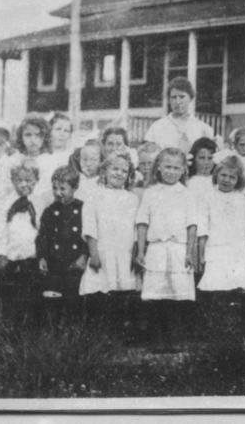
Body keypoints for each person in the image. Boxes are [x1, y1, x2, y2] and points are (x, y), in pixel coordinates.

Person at [134, 147, 200, 350]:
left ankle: (175, 339)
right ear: (159, 168)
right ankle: (156, 340)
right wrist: (141, 251)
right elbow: (142, 223)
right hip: (157, 249)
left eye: (176, 168)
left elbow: (192, 225)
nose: (171, 171)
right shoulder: (151, 193)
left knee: (177, 294)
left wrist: (189, 252)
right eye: (167, 167)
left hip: (178, 249)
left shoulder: (187, 194)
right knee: (156, 294)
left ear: (183, 170)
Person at [79, 153, 141, 336]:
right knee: (100, 290)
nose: (119, 173)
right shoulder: (94, 196)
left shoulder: (132, 199)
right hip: (102, 250)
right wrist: (94, 254)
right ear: (104, 171)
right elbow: (90, 227)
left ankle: (119, 332)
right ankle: (99, 334)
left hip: (124, 250)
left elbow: (135, 229)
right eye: (115, 169)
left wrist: (135, 253)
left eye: (124, 171)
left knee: (122, 292)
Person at [0, 160, 43, 326]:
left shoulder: (37, 203)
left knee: (31, 295)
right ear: (13, 181)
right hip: (11, 258)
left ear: (36, 181)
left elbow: (42, 229)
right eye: (19, 180)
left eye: (28, 180)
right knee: (10, 296)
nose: (24, 184)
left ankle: (30, 328)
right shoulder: (5, 203)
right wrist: (1, 253)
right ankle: (9, 328)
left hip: (31, 257)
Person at [37, 166, 88, 326]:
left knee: (73, 300)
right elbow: (43, 237)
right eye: (55, 188)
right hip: (55, 262)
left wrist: (84, 256)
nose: (58, 192)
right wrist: (42, 257)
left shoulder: (83, 209)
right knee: (53, 298)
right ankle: (53, 331)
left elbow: (89, 235)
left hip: (75, 262)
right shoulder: (50, 211)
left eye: (63, 189)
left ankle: (73, 332)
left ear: (75, 188)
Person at [197, 156, 245, 295]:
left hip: (237, 251)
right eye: (223, 175)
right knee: (216, 288)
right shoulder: (207, 197)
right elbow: (203, 229)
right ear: (216, 174)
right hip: (215, 249)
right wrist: (201, 254)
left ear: (238, 180)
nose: (226, 180)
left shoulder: (242, 200)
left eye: (232, 177)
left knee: (235, 288)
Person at [144, 77, 215, 157]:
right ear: (169, 100)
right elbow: (148, 155)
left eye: (182, 97)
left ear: (190, 98)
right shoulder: (157, 127)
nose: (178, 102)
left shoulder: (203, 128)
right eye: (174, 97)